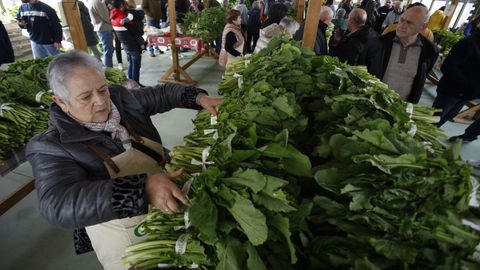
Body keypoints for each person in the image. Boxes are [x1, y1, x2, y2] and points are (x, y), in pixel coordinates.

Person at [26, 51, 224, 270]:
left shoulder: (122, 99)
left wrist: (198, 98)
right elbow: (57, 204)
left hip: (169, 205)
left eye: (102, 90)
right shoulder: (50, 146)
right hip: (122, 235)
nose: (101, 101)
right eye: (85, 97)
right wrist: (141, 190)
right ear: (61, 102)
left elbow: (164, 93)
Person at [359, 5, 439, 103]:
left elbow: (422, 77)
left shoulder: (430, 51)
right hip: (372, 102)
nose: (402, 25)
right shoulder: (377, 44)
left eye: (410, 23)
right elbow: (362, 70)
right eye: (402, 20)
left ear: (423, 27)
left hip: (401, 109)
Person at [432, 27, 480, 143]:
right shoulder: (468, 43)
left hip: (465, 95)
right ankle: (416, 137)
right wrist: (467, 85)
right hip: (451, 92)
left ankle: (429, 135)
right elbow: (448, 66)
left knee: (447, 116)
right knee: (434, 118)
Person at [110, 0, 145, 85]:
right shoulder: (124, 19)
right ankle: (136, 85)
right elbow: (138, 32)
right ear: (122, 5)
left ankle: (130, 83)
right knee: (135, 67)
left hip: (126, 46)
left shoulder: (113, 17)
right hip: (133, 46)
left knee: (131, 64)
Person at [88, 0, 115, 67]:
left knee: (108, 50)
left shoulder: (92, 1)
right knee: (108, 51)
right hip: (104, 28)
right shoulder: (98, 2)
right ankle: (109, 71)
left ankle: (109, 70)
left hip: (102, 28)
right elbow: (107, 18)